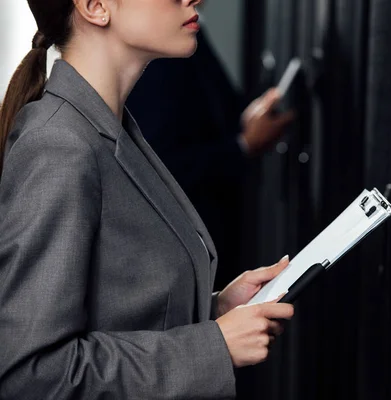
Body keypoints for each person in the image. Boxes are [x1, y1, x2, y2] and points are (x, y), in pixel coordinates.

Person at [0, 0, 294, 398]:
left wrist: (212, 310)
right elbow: (31, 376)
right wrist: (214, 346)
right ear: (95, 7)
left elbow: (114, 308)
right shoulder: (58, 146)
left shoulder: (112, 128)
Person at [126, 24, 294, 291]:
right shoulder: (156, 51)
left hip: (216, 236)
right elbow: (159, 165)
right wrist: (242, 145)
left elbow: (209, 114)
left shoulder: (189, 31)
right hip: (186, 241)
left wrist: (245, 122)